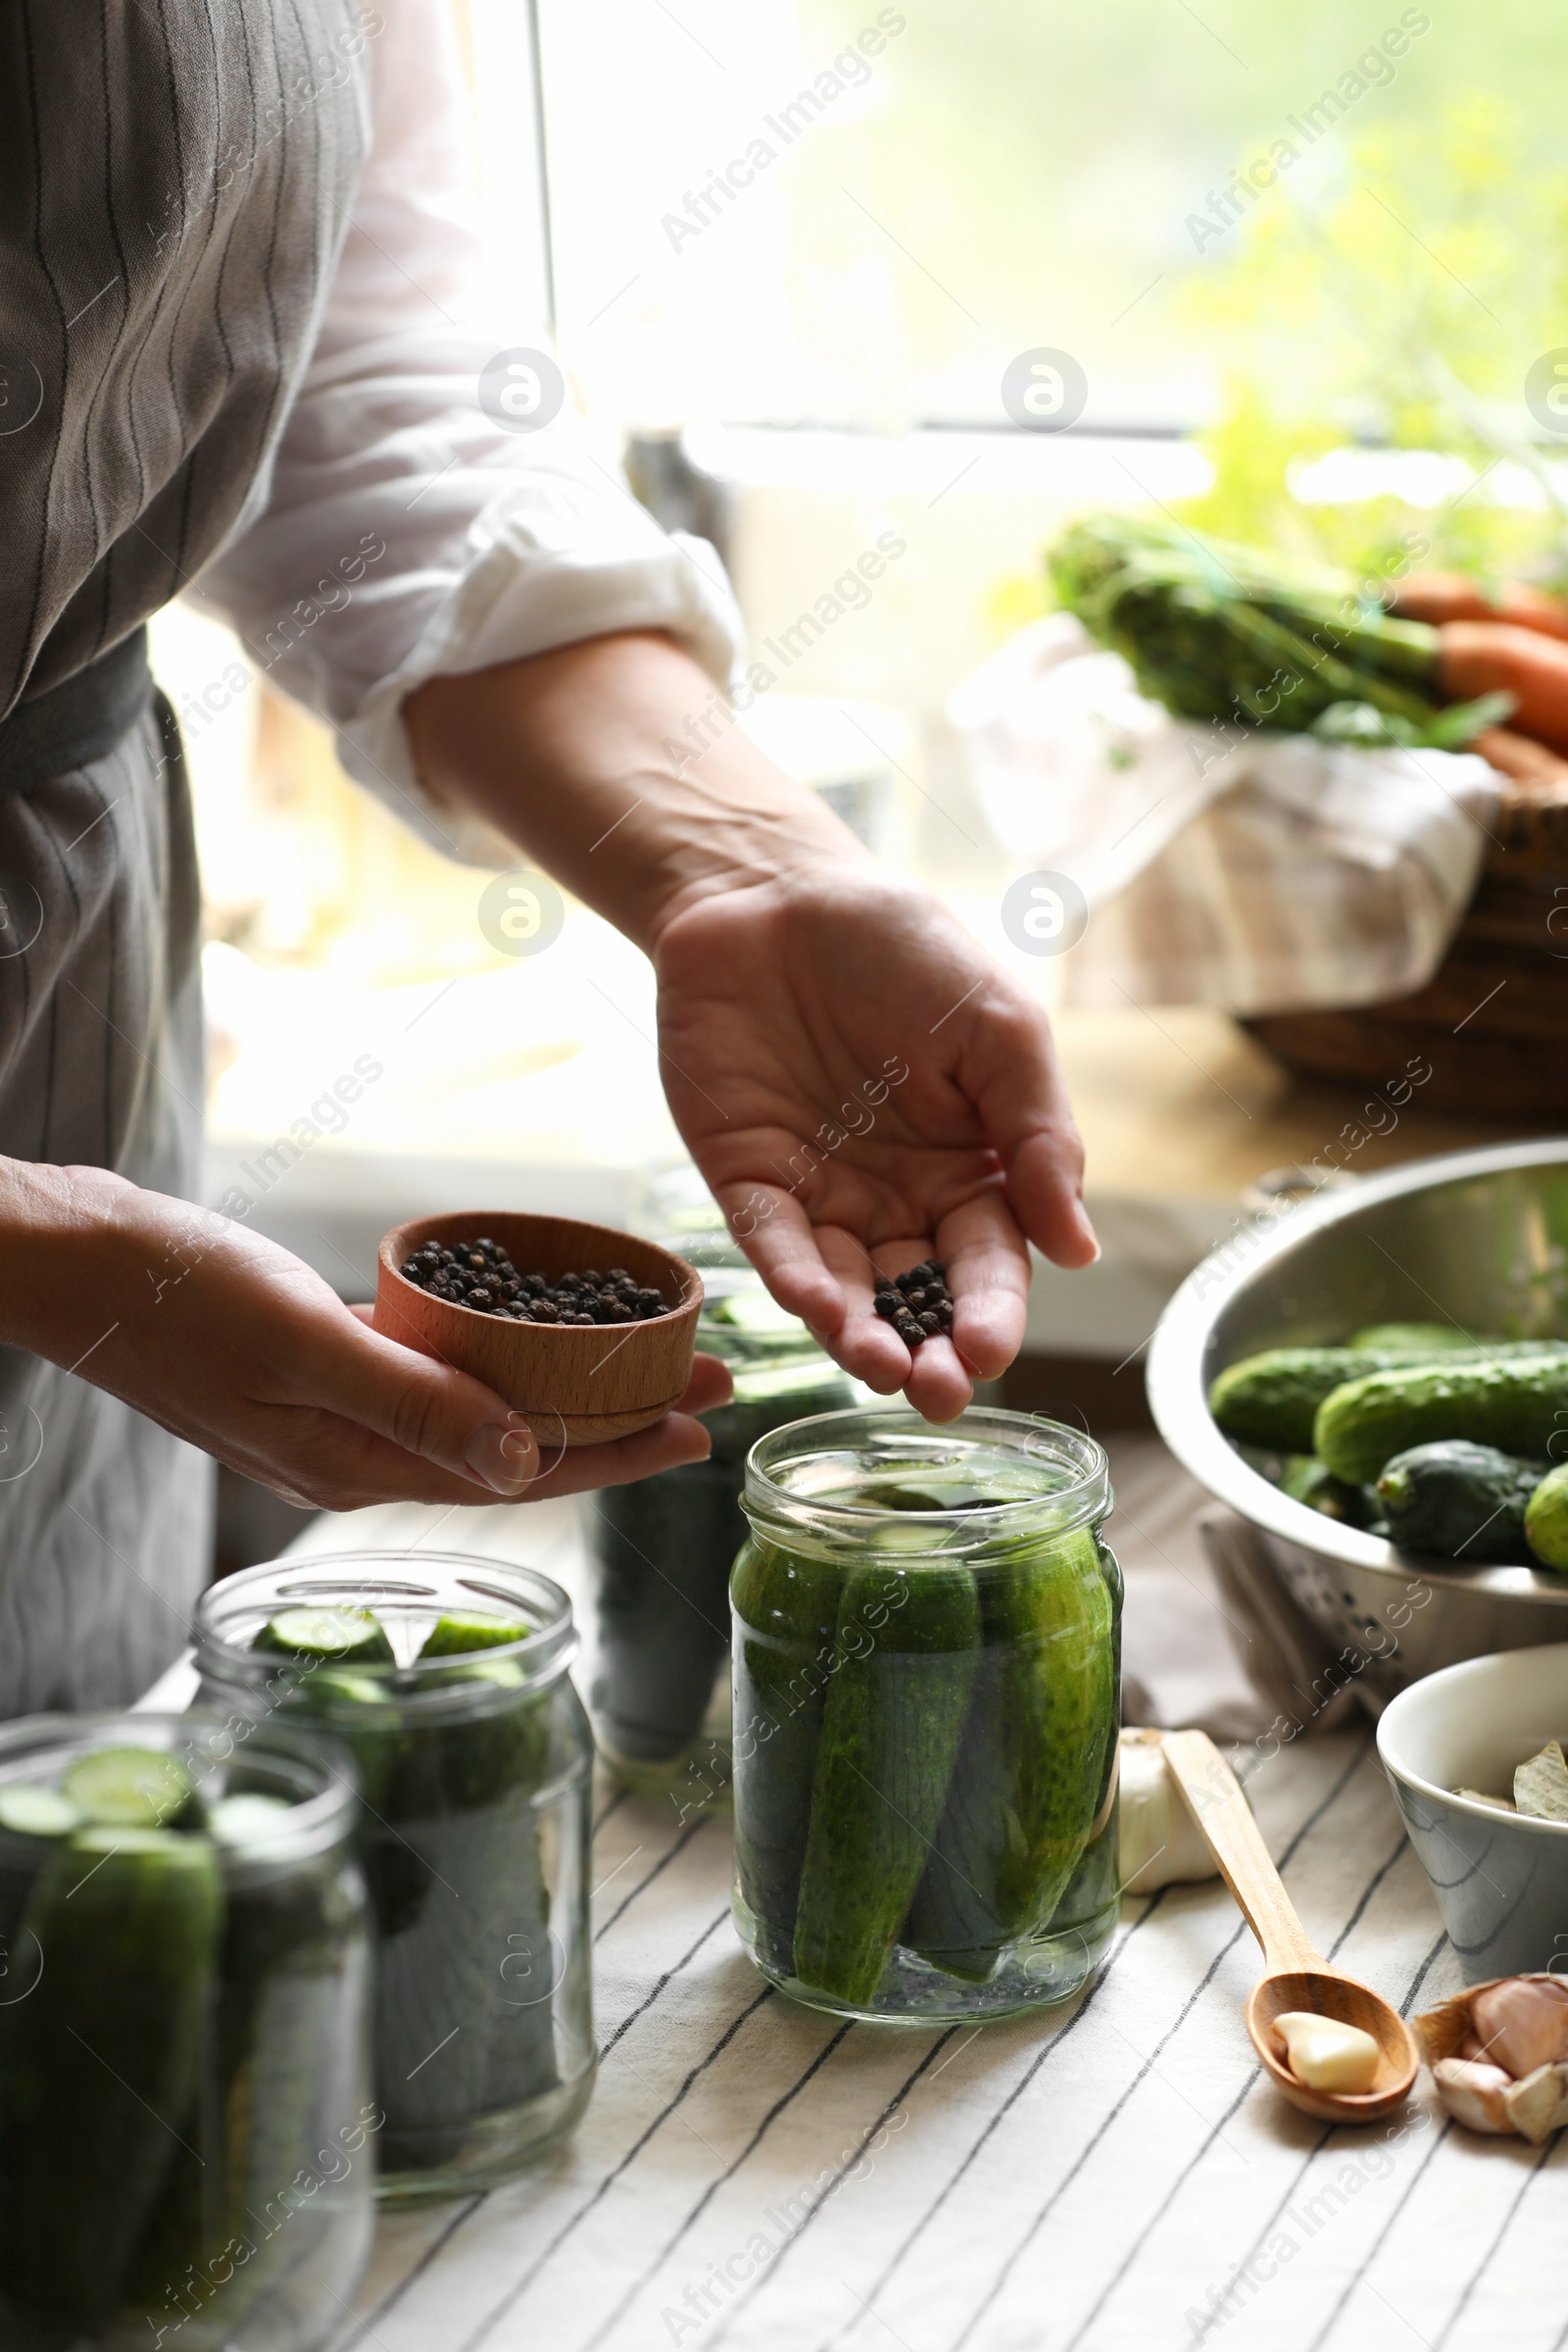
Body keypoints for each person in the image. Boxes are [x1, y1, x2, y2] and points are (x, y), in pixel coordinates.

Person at [0, 0, 1096, 1711]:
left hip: (67, 1009)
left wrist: (736, 865)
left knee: (72, 1856)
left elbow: (349, 383)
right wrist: (26, 1247)